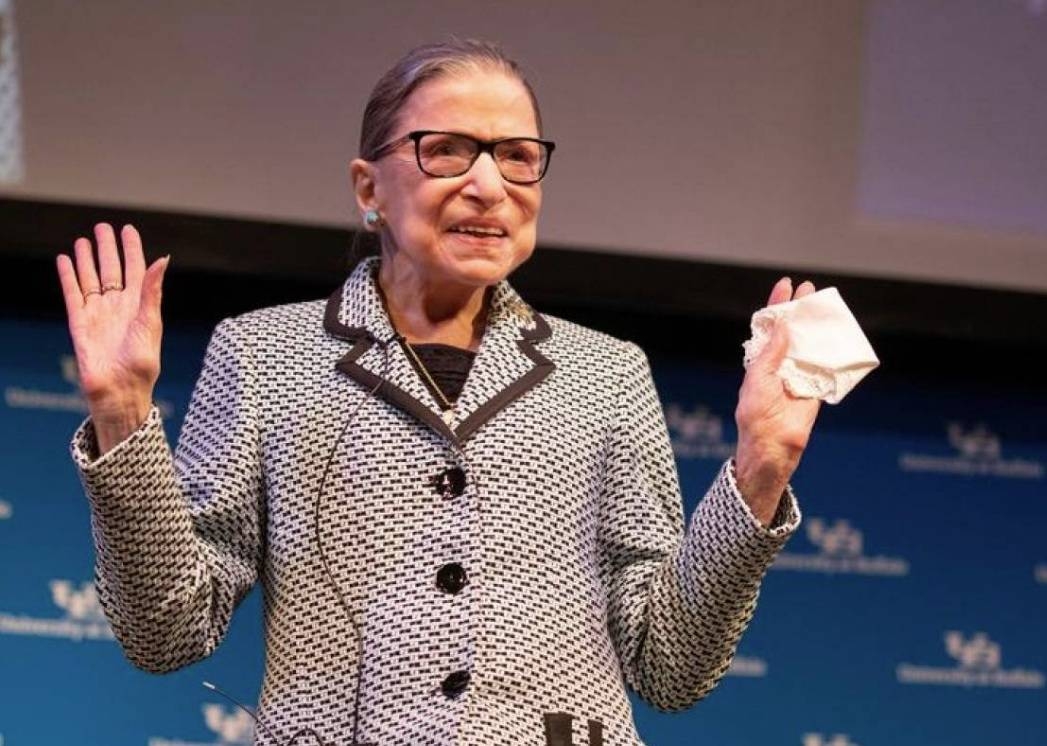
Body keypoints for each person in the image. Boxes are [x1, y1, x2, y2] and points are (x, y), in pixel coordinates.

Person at [56, 40, 819, 746]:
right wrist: (122, 418)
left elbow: (670, 667)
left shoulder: (606, 373)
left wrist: (760, 466)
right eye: (446, 151)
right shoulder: (263, 354)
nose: (488, 185)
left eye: (517, 157)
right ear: (369, 187)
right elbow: (167, 634)